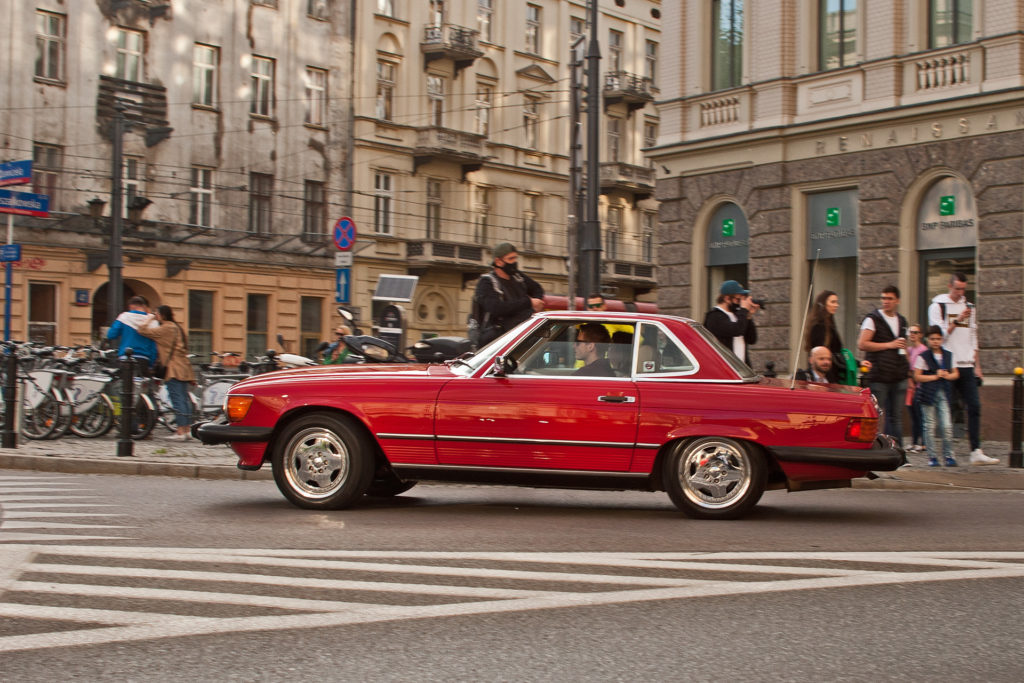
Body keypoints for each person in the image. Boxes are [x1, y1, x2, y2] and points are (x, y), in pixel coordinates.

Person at [928, 273, 997, 465]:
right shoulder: (938, 306)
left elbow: (973, 336)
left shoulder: (969, 307)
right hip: (948, 364)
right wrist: (957, 320)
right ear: (949, 286)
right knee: (947, 409)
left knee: (974, 406)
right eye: (957, 288)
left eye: (963, 289)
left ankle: (976, 450)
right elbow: (937, 336)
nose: (960, 292)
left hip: (967, 364)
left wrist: (978, 365)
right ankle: (947, 453)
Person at [858, 285, 910, 444]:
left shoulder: (902, 320)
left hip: (899, 374)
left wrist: (908, 369)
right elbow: (862, 344)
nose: (886, 301)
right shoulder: (873, 319)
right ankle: (876, 448)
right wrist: (889, 344)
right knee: (877, 415)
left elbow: (902, 347)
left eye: (889, 298)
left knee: (896, 417)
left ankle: (898, 451)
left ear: (897, 301)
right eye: (883, 298)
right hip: (879, 375)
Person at [139, 305, 196, 441]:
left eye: (157, 314)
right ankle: (187, 430)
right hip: (183, 367)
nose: (156, 316)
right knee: (184, 399)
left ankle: (180, 431)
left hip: (173, 368)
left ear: (162, 315)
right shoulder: (177, 327)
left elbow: (142, 330)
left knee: (177, 399)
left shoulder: (166, 328)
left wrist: (149, 318)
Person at [473, 242, 544, 347]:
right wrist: (528, 302)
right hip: (498, 342)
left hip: (522, 336)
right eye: (510, 259)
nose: (514, 262)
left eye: (515, 258)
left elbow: (537, 289)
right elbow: (496, 308)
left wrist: (536, 304)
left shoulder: (517, 277)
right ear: (498, 261)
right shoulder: (487, 282)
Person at [913, 325, 959, 467]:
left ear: (942, 339)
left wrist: (947, 375)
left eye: (938, 339)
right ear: (927, 339)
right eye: (932, 339)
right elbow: (917, 376)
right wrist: (934, 376)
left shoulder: (948, 355)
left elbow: (956, 373)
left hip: (944, 392)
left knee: (946, 425)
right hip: (928, 394)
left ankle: (948, 455)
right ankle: (932, 456)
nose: (935, 342)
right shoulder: (923, 356)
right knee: (929, 425)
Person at [703, 280, 759, 365]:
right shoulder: (714, 317)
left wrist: (749, 316)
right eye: (738, 299)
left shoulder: (738, 315)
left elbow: (752, 339)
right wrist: (744, 310)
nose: (740, 303)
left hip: (741, 369)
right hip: (724, 369)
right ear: (727, 299)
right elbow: (736, 330)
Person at [106, 295, 158, 369]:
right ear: (144, 306)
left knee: (124, 379)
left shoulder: (124, 317)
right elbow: (154, 346)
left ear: (130, 306)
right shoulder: (153, 322)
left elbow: (111, 335)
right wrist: (151, 365)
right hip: (144, 359)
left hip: (125, 358)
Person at [905, 325, 928, 453]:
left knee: (920, 415)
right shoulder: (909, 350)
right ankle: (914, 442)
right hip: (911, 387)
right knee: (913, 415)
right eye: (910, 332)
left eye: (915, 332)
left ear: (920, 335)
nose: (912, 334)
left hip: (920, 386)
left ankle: (924, 443)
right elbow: (907, 366)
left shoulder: (923, 350)